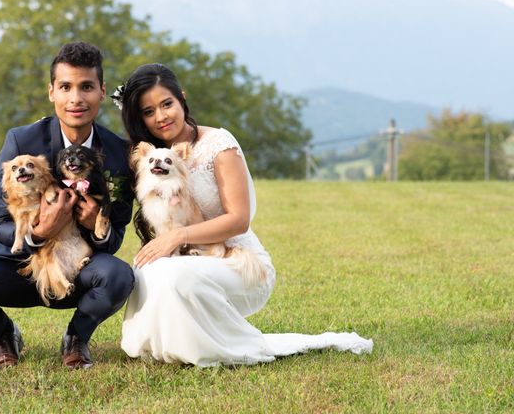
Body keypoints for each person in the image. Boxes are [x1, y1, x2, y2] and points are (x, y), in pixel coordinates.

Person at [115, 63, 373, 366]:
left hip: (238, 262)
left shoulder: (218, 145)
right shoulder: (153, 157)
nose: (161, 117)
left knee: (172, 274)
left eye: (167, 104)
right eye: (148, 112)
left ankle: (207, 348)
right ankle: (167, 346)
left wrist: (178, 236)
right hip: (188, 257)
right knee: (148, 271)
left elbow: (239, 219)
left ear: (182, 98)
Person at [0, 42, 135, 370]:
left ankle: (77, 337)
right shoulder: (20, 141)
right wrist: (41, 231)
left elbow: (114, 237)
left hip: (75, 265)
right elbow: (1, 222)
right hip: (14, 261)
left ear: (101, 91)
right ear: (51, 91)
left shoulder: (118, 154)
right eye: (65, 87)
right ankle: (3, 335)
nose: (76, 99)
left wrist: (94, 222)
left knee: (119, 276)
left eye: (86, 87)